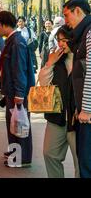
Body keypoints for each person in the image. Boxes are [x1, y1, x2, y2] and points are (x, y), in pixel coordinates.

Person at [0, 11, 35, 168]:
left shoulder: (17, 42)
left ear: (3, 25)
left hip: (17, 93)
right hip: (13, 91)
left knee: (20, 125)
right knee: (14, 124)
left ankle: (22, 158)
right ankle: (16, 153)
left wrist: (19, 93)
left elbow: (20, 70)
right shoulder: (13, 41)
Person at [38, 25, 79, 178]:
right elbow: (43, 84)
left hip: (78, 120)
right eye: (58, 40)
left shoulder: (83, 59)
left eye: (64, 40)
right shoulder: (56, 59)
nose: (61, 44)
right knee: (49, 154)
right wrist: (50, 63)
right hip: (57, 116)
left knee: (81, 162)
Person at [63, 0, 91, 178]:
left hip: (88, 114)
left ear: (78, 11)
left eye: (67, 15)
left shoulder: (89, 33)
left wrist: (87, 108)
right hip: (84, 111)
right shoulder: (83, 34)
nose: (66, 21)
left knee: (87, 163)